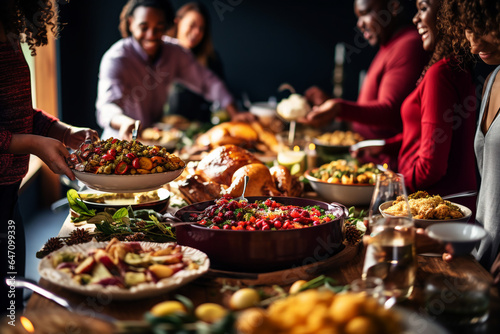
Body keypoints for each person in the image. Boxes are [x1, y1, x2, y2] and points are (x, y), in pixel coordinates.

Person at [0, 0, 99, 312]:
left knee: (10, 294)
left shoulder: (8, 29)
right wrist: (32, 144)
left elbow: (16, 112)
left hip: (7, 192)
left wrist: (63, 132)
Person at [96, 0, 252, 140]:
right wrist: (124, 122)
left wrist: (234, 113)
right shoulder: (116, 58)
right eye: (143, 27)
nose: (151, 35)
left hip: (153, 142)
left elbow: (208, 82)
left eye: (158, 28)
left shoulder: (175, 53)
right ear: (131, 23)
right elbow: (107, 106)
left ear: (166, 26)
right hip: (118, 141)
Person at [301, 0, 428, 169]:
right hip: (367, 161)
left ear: (394, 7)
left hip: (386, 169)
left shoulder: (408, 45)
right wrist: (329, 103)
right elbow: (367, 116)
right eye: (358, 17)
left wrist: (338, 108)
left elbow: (390, 112)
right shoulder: (389, 46)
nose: (360, 24)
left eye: (365, 13)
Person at [440, 0, 500, 282]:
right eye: (467, 30)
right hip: (481, 257)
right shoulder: (491, 80)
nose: (475, 46)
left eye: (485, 28)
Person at [166, 2, 225, 124]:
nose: (197, 32)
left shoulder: (210, 59)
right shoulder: (162, 53)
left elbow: (221, 95)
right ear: (178, 22)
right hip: (165, 129)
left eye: (201, 28)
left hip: (200, 128)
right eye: (192, 25)